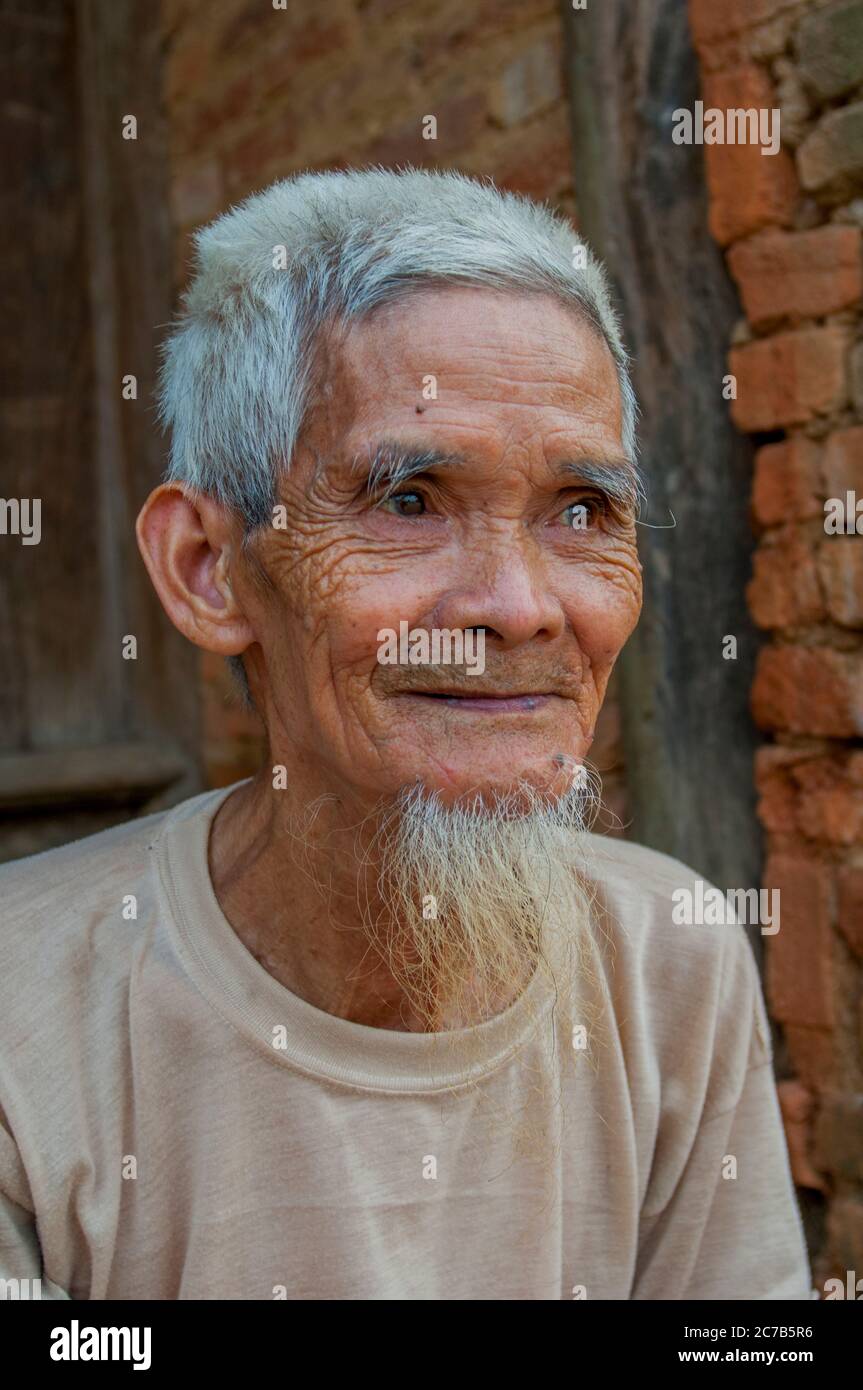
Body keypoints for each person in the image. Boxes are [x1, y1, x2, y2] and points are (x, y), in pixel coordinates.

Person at [0, 167, 810, 1300]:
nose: (521, 605)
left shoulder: (668, 958)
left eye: (582, 512)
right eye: (408, 500)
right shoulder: (22, 1020)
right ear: (208, 569)